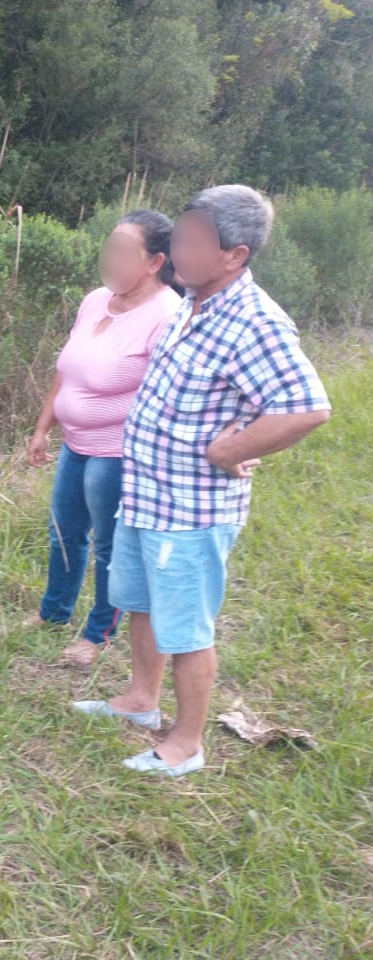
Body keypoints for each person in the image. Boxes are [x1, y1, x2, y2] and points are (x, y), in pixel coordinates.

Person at [73, 185, 331, 776]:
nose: (178, 251)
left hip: (190, 510)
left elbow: (306, 407)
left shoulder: (254, 321)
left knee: (187, 628)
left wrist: (230, 449)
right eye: (180, 237)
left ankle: (186, 744)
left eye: (193, 242)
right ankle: (140, 699)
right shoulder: (189, 302)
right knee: (140, 603)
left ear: (234, 255)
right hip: (145, 494)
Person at [26, 211, 184, 665]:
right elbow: (66, 371)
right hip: (74, 445)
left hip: (118, 453)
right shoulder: (96, 300)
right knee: (64, 533)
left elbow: (169, 396)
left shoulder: (167, 315)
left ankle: (98, 635)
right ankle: (53, 613)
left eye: (124, 251)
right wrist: (43, 427)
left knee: (111, 546)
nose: (111, 259)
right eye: (109, 247)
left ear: (155, 262)